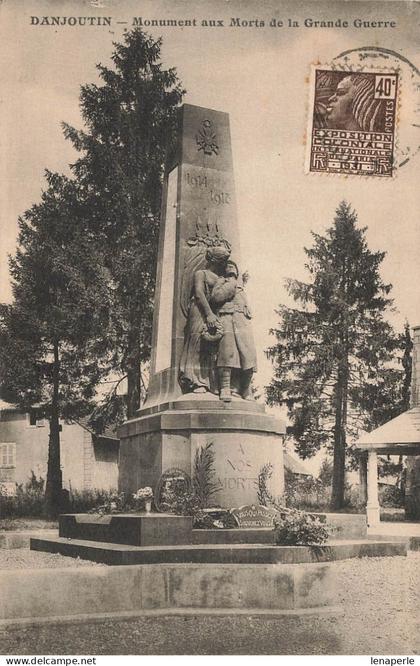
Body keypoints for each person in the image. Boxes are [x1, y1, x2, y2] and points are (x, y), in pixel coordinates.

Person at [179, 245, 230, 394]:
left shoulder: (221, 278)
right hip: (200, 310)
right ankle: (196, 382)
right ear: (216, 261)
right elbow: (199, 293)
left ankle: (211, 383)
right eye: (223, 261)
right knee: (197, 342)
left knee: (211, 347)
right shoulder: (201, 273)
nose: (225, 264)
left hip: (215, 311)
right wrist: (208, 314)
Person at [210, 260, 257, 402]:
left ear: (237, 271)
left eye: (233, 266)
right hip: (227, 318)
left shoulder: (241, 288)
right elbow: (216, 297)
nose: (230, 268)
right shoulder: (222, 282)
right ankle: (225, 387)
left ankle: (245, 389)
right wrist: (230, 284)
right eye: (227, 266)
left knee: (249, 355)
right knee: (227, 353)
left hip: (242, 322)